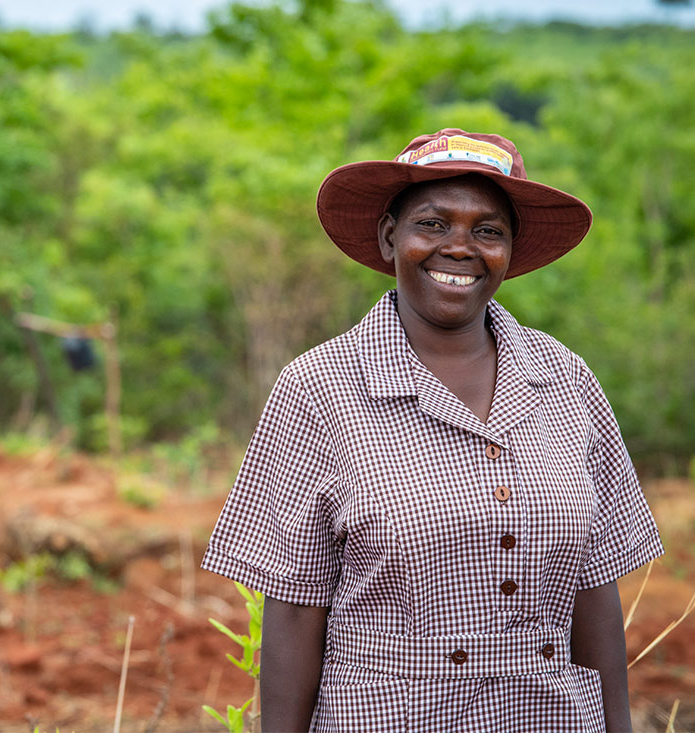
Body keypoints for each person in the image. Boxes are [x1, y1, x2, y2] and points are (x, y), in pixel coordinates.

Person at [201, 129, 663, 732]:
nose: (461, 247)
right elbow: (294, 613)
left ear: (509, 251)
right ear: (391, 237)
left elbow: (594, 592)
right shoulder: (319, 389)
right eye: (433, 224)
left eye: (488, 230)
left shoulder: (565, 380)